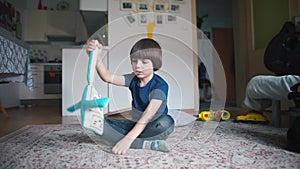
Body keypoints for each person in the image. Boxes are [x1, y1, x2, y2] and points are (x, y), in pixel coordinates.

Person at [86, 38, 175, 155]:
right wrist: (97, 59)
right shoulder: (133, 79)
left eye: (144, 62)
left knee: (166, 123)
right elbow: (107, 77)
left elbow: (147, 116)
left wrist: (127, 139)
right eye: (134, 61)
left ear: (155, 63)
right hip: (135, 124)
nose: (138, 66)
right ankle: (145, 144)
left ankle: (127, 139)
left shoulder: (160, 86)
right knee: (99, 124)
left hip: (153, 125)